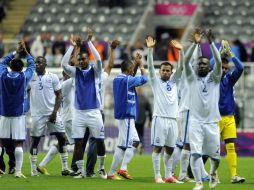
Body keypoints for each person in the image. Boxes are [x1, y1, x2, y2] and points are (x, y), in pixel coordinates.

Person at [61, 29, 106, 179]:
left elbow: (99, 59)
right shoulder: (76, 72)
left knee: (99, 141)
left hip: (94, 112)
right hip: (79, 113)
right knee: (78, 143)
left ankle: (101, 168)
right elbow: (63, 64)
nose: (81, 62)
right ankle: (81, 171)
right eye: (79, 60)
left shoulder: (96, 71)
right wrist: (72, 46)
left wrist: (89, 43)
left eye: (84, 59)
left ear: (88, 60)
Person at [184, 28, 222, 190]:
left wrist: (211, 43)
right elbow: (185, 61)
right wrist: (195, 44)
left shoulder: (215, 78)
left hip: (212, 122)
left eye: (204, 63)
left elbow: (219, 62)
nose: (201, 65)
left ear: (208, 67)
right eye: (199, 63)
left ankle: (213, 173)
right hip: (195, 122)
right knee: (195, 153)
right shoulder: (191, 78)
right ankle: (199, 182)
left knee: (216, 158)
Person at [145, 36, 184, 184]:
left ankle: (168, 176)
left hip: (173, 120)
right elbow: (149, 67)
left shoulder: (174, 81)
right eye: (163, 70)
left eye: (168, 70)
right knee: (157, 149)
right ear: (160, 71)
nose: (166, 72)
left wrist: (181, 52)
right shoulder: (155, 82)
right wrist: (150, 50)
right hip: (160, 119)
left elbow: (181, 68)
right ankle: (157, 176)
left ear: (171, 72)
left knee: (170, 149)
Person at [107, 50, 147, 180]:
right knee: (128, 144)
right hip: (127, 115)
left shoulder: (118, 79)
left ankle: (115, 172)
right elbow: (144, 79)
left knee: (131, 143)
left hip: (122, 115)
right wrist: (141, 67)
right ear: (129, 69)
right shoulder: (127, 80)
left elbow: (131, 77)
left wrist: (134, 63)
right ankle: (118, 171)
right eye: (131, 68)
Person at [29, 56, 70, 176]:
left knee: (62, 138)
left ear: (45, 64)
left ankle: (65, 168)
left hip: (52, 113)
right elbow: (26, 92)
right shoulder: (31, 77)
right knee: (35, 140)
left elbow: (59, 95)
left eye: (39, 62)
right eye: (36, 62)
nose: (37, 64)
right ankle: (33, 170)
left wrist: (54, 112)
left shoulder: (52, 77)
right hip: (37, 115)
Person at [0, 41, 35, 178]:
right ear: (22, 69)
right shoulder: (24, 77)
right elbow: (32, 64)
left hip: (3, 113)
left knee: (1, 141)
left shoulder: (2, 75)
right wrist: (25, 52)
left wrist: (15, 51)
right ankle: (18, 171)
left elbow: (3, 62)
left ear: (10, 67)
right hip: (18, 115)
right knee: (18, 142)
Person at [217, 40, 245, 183]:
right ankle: (212, 174)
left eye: (226, 68)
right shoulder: (212, 79)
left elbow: (240, 68)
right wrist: (219, 54)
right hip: (214, 118)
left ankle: (234, 175)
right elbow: (210, 66)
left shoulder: (229, 79)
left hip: (229, 118)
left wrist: (231, 54)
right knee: (213, 149)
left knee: (231, 146)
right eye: (221, 67)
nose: (224, 70)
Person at [134, 87, 152, 154]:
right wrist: (150, 120)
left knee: (134, 134)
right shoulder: (145, 99)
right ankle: (141, 144)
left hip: (135, 119)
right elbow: (150, 111)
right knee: (141, 133)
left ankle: (135, 146)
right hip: (142, 119)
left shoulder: (135, 99)